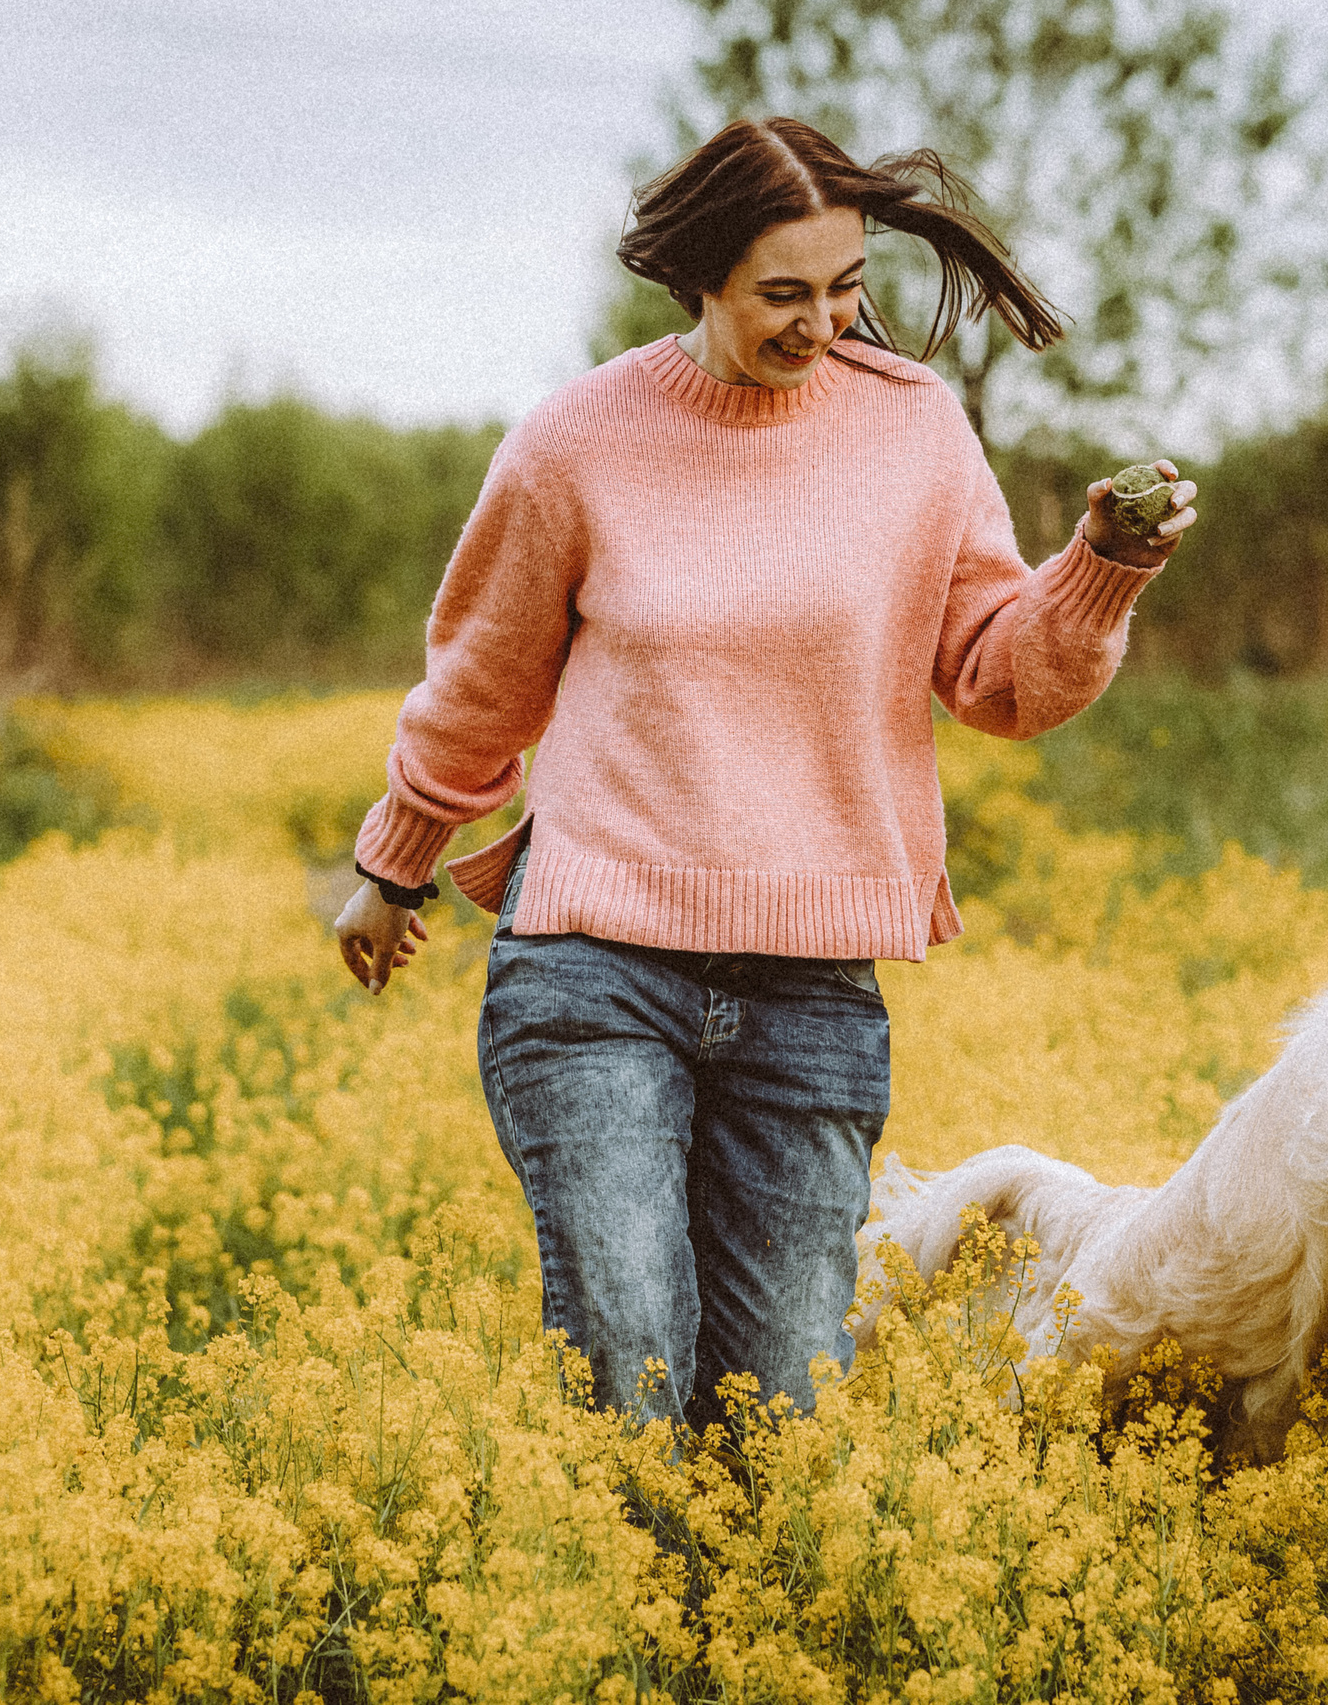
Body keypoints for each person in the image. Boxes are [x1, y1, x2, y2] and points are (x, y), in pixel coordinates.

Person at [332, 116, 1198, 1434]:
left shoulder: (912, 430)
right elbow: (482, 685)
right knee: (630, 1354)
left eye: (847, 287)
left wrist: (1100, 572)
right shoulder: (576, 443)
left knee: (782, 1405)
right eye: (783, 294)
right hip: (595, 966)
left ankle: (736, 1579)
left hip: (812, 992)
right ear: (702, 278)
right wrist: (393, 867)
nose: (823, 323)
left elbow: (998, 680)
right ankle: (625, 1576)